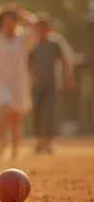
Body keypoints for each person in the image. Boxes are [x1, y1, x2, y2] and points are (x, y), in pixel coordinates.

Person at [0, 3, 37, 160]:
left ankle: (15, 149)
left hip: (19, 81)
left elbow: (36, 27)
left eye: (11, 20)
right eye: (5, 21)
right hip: (2, 81)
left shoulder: (22, 39)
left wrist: (22, 14)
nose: (8, 24)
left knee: (15, 117)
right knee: (4, 111)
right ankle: (2, 145)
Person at [27, 12, 75, 154]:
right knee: (36, 113)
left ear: (49, 28)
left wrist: (69, 77)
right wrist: (30, 78)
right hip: (37, 85)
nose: (41, 30)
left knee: (48, 112)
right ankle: (38, 142)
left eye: (44, 27)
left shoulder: (54, 44)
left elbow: (64, 61)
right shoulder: (33, 46)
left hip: (52, 85)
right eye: (39, 27)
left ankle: (47, 142)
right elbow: (27, 64)